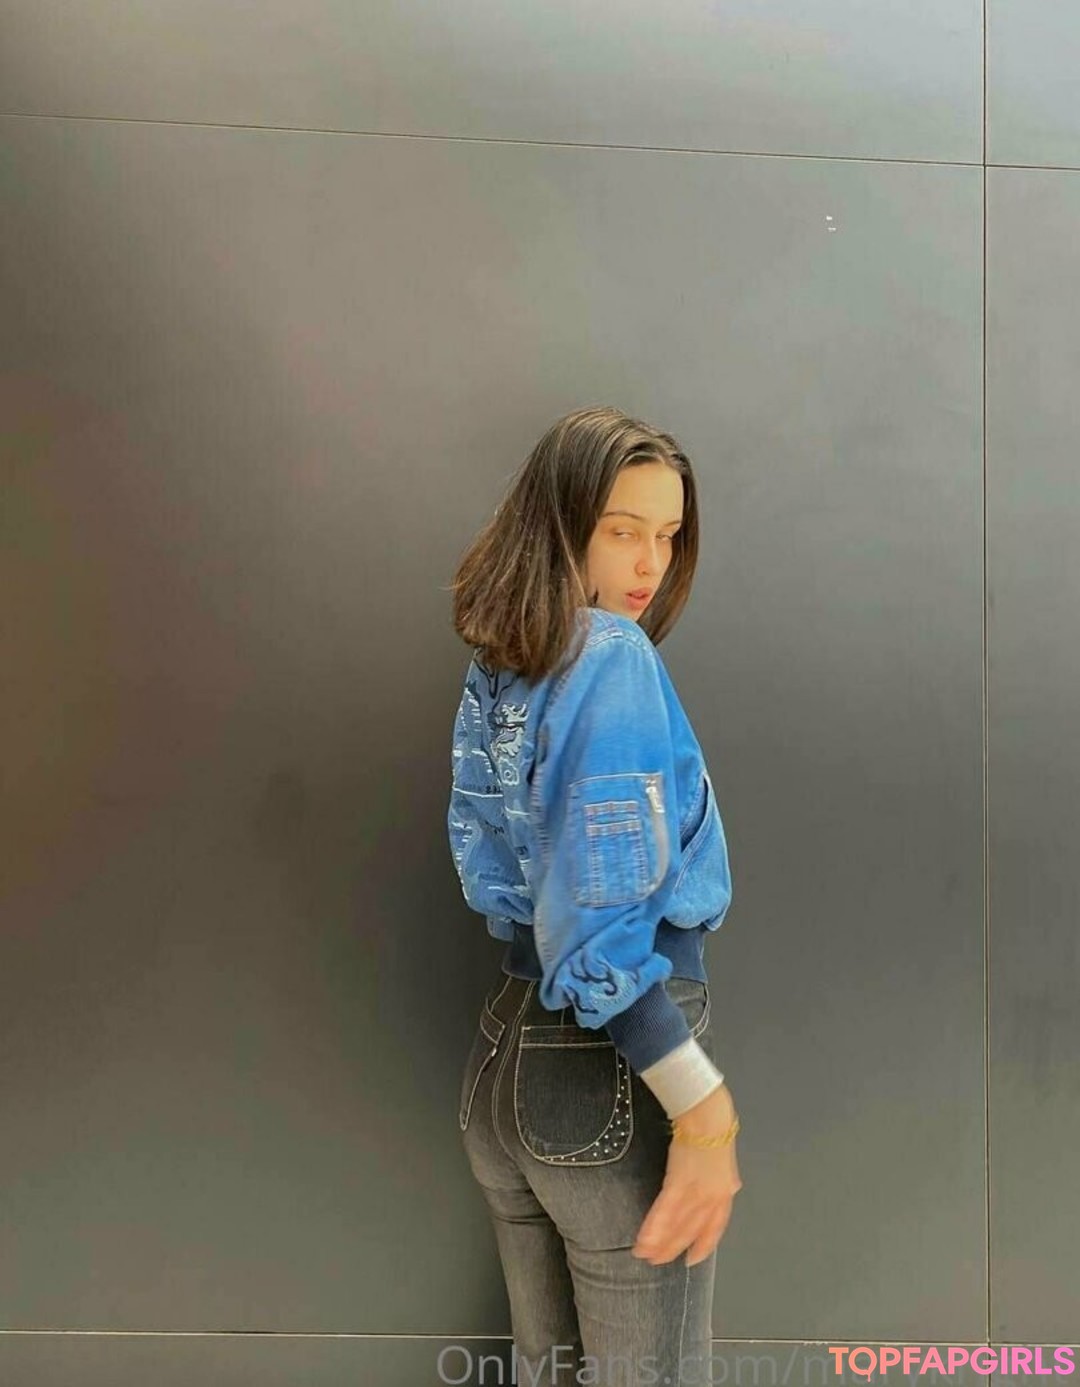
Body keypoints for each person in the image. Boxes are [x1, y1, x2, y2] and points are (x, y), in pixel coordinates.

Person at [446, 404, 742, 1387]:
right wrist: (702, 1109)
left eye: (669, 533)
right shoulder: (612, 654)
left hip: (505, 1060)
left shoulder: (504, 663)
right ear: (561, 523)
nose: (650, 563)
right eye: (622, 530)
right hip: (608, 1074)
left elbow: (494, 869)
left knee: (550, 1371)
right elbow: (603, 930)